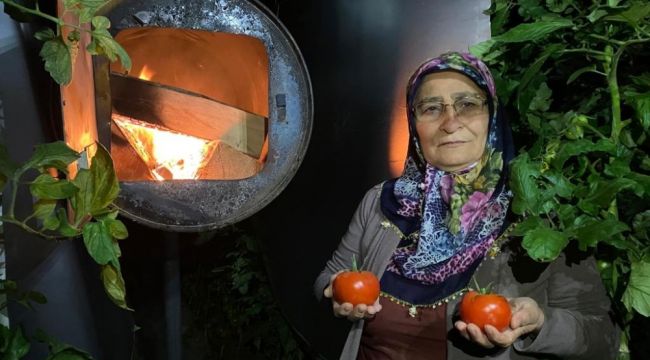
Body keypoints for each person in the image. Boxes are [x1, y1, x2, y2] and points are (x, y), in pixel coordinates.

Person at [314, 52, 619, 360]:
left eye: (468, 105)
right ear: (413, 122)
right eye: (431, 108)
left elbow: (602, 336)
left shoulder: (539, 212)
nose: (450, 122)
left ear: (493, 115)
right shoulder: (382, 201)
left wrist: (540, 323)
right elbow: (330, 277)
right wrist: (336, 292)